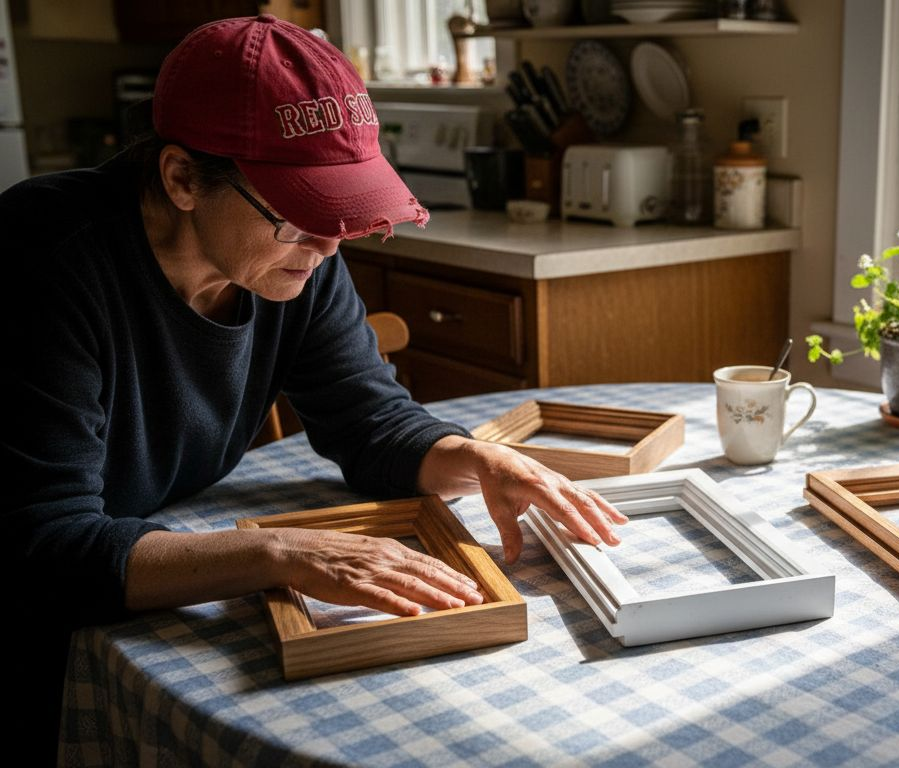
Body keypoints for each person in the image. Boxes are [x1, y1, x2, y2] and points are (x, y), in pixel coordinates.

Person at [0, 15, 625, 752]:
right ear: (182, 179)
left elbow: (369, 421)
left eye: (338, 210)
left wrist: (475, 457)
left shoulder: (295, 252)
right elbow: (46, 547)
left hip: (146, 559)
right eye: (297, 211)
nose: (328, 245)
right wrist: (281, 553)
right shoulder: (43, 258)